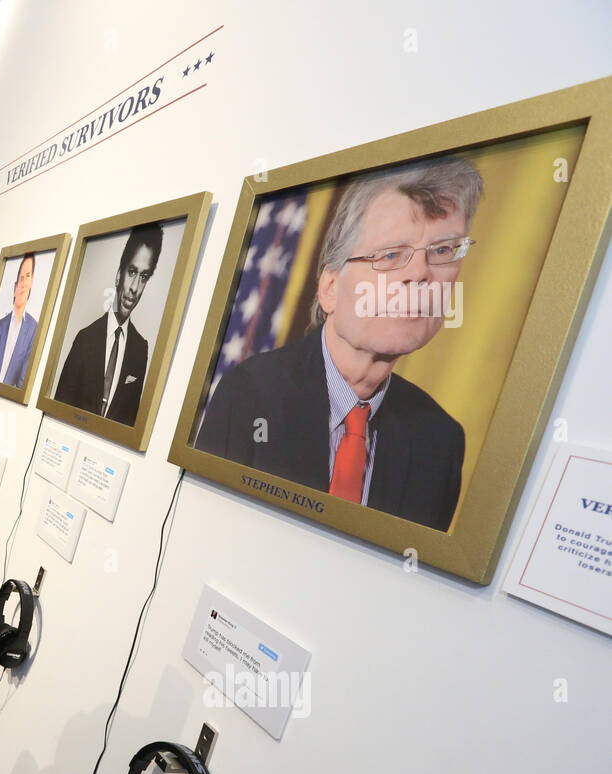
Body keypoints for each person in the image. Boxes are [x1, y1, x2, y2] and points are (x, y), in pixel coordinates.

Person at [195, 158, 479, 531]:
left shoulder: (440, 442)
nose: (420, 274)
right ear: (330, 289)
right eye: (391, 255)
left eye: (442, 251)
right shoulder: (249, 395)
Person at [53, 224, 161, 423]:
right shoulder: (85, 338)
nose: (135, 288)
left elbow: (129, 423)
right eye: (132, 272)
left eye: (143, 277)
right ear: (119, 275)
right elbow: (58, 409)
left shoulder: (140, 348)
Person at [0, 253, 38, 387]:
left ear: (32, 280)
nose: (23, 284)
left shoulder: (33, 328)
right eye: (20, 278)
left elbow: (22, 381)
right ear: (15, 288)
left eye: (27, 276)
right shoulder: (0, 325)